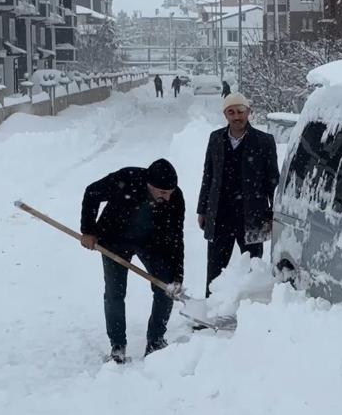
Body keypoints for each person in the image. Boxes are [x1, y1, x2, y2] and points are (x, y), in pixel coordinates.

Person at [80, 159, 185, 363]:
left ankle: (155, 341)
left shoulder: (175, 197)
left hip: (151, 242)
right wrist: (88, 231)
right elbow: (92, 192)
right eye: (162, 192)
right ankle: (118, 345)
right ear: (149, 185)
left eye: (170, 191)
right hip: (114, 239)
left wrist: (177, 276)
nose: (167, 196)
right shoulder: (127, 179)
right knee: (115, 292)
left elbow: (176, 237)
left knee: (165, 287)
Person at [197, 93, 279, 298]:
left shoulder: (264, 141)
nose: (236, 116)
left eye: (240, 111)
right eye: (231, 112)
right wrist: (202, 209)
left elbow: (273, 181)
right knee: (215, 267)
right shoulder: (215, 138)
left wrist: (272, 213)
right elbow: (208, 175)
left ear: (249, 112)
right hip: (220, 213)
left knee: (253, 267)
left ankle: (250, 309)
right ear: (225, 115)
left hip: (252, 215)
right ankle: (211, 308)